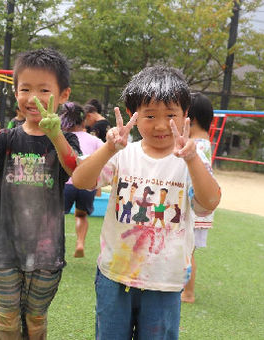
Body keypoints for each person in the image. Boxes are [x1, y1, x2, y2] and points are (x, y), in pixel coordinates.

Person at [72, 65, 221, 340]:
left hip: (165, 281)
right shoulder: (122, 154)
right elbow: (80, 181)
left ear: (185, 114)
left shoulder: (191, 160)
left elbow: (209, 202)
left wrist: (191, 160)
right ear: (133, 116)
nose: (162, 125)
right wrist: (108, 148)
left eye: (171, 115)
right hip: (114, 275)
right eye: (150, 115)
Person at [0, 48, 81, 339]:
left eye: (44, 89)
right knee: (5, 320)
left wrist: (55, 135)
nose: (33, 98)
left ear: (63, 94)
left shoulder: (66, 139)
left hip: (46, 253)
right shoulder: (6, 137)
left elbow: (76, 172)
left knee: (35, 320)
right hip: (4, 250)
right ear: (15, 92)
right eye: (25, 89)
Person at [181, 92, 215, 304]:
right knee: (187, 250)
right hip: (198, 205)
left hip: (195, 206)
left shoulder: (195, 145)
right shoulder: (204, 141)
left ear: (189, 118)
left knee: (186, 251)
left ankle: (188, 293)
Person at [60, 101, 103, 258]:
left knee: (57, 216)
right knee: (81, 215)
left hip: (66, 184)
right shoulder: (94, 140)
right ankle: (80, 243)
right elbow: (102, 160)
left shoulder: (61, 138)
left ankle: (56, 248)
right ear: (83, 120)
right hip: (87, 185)